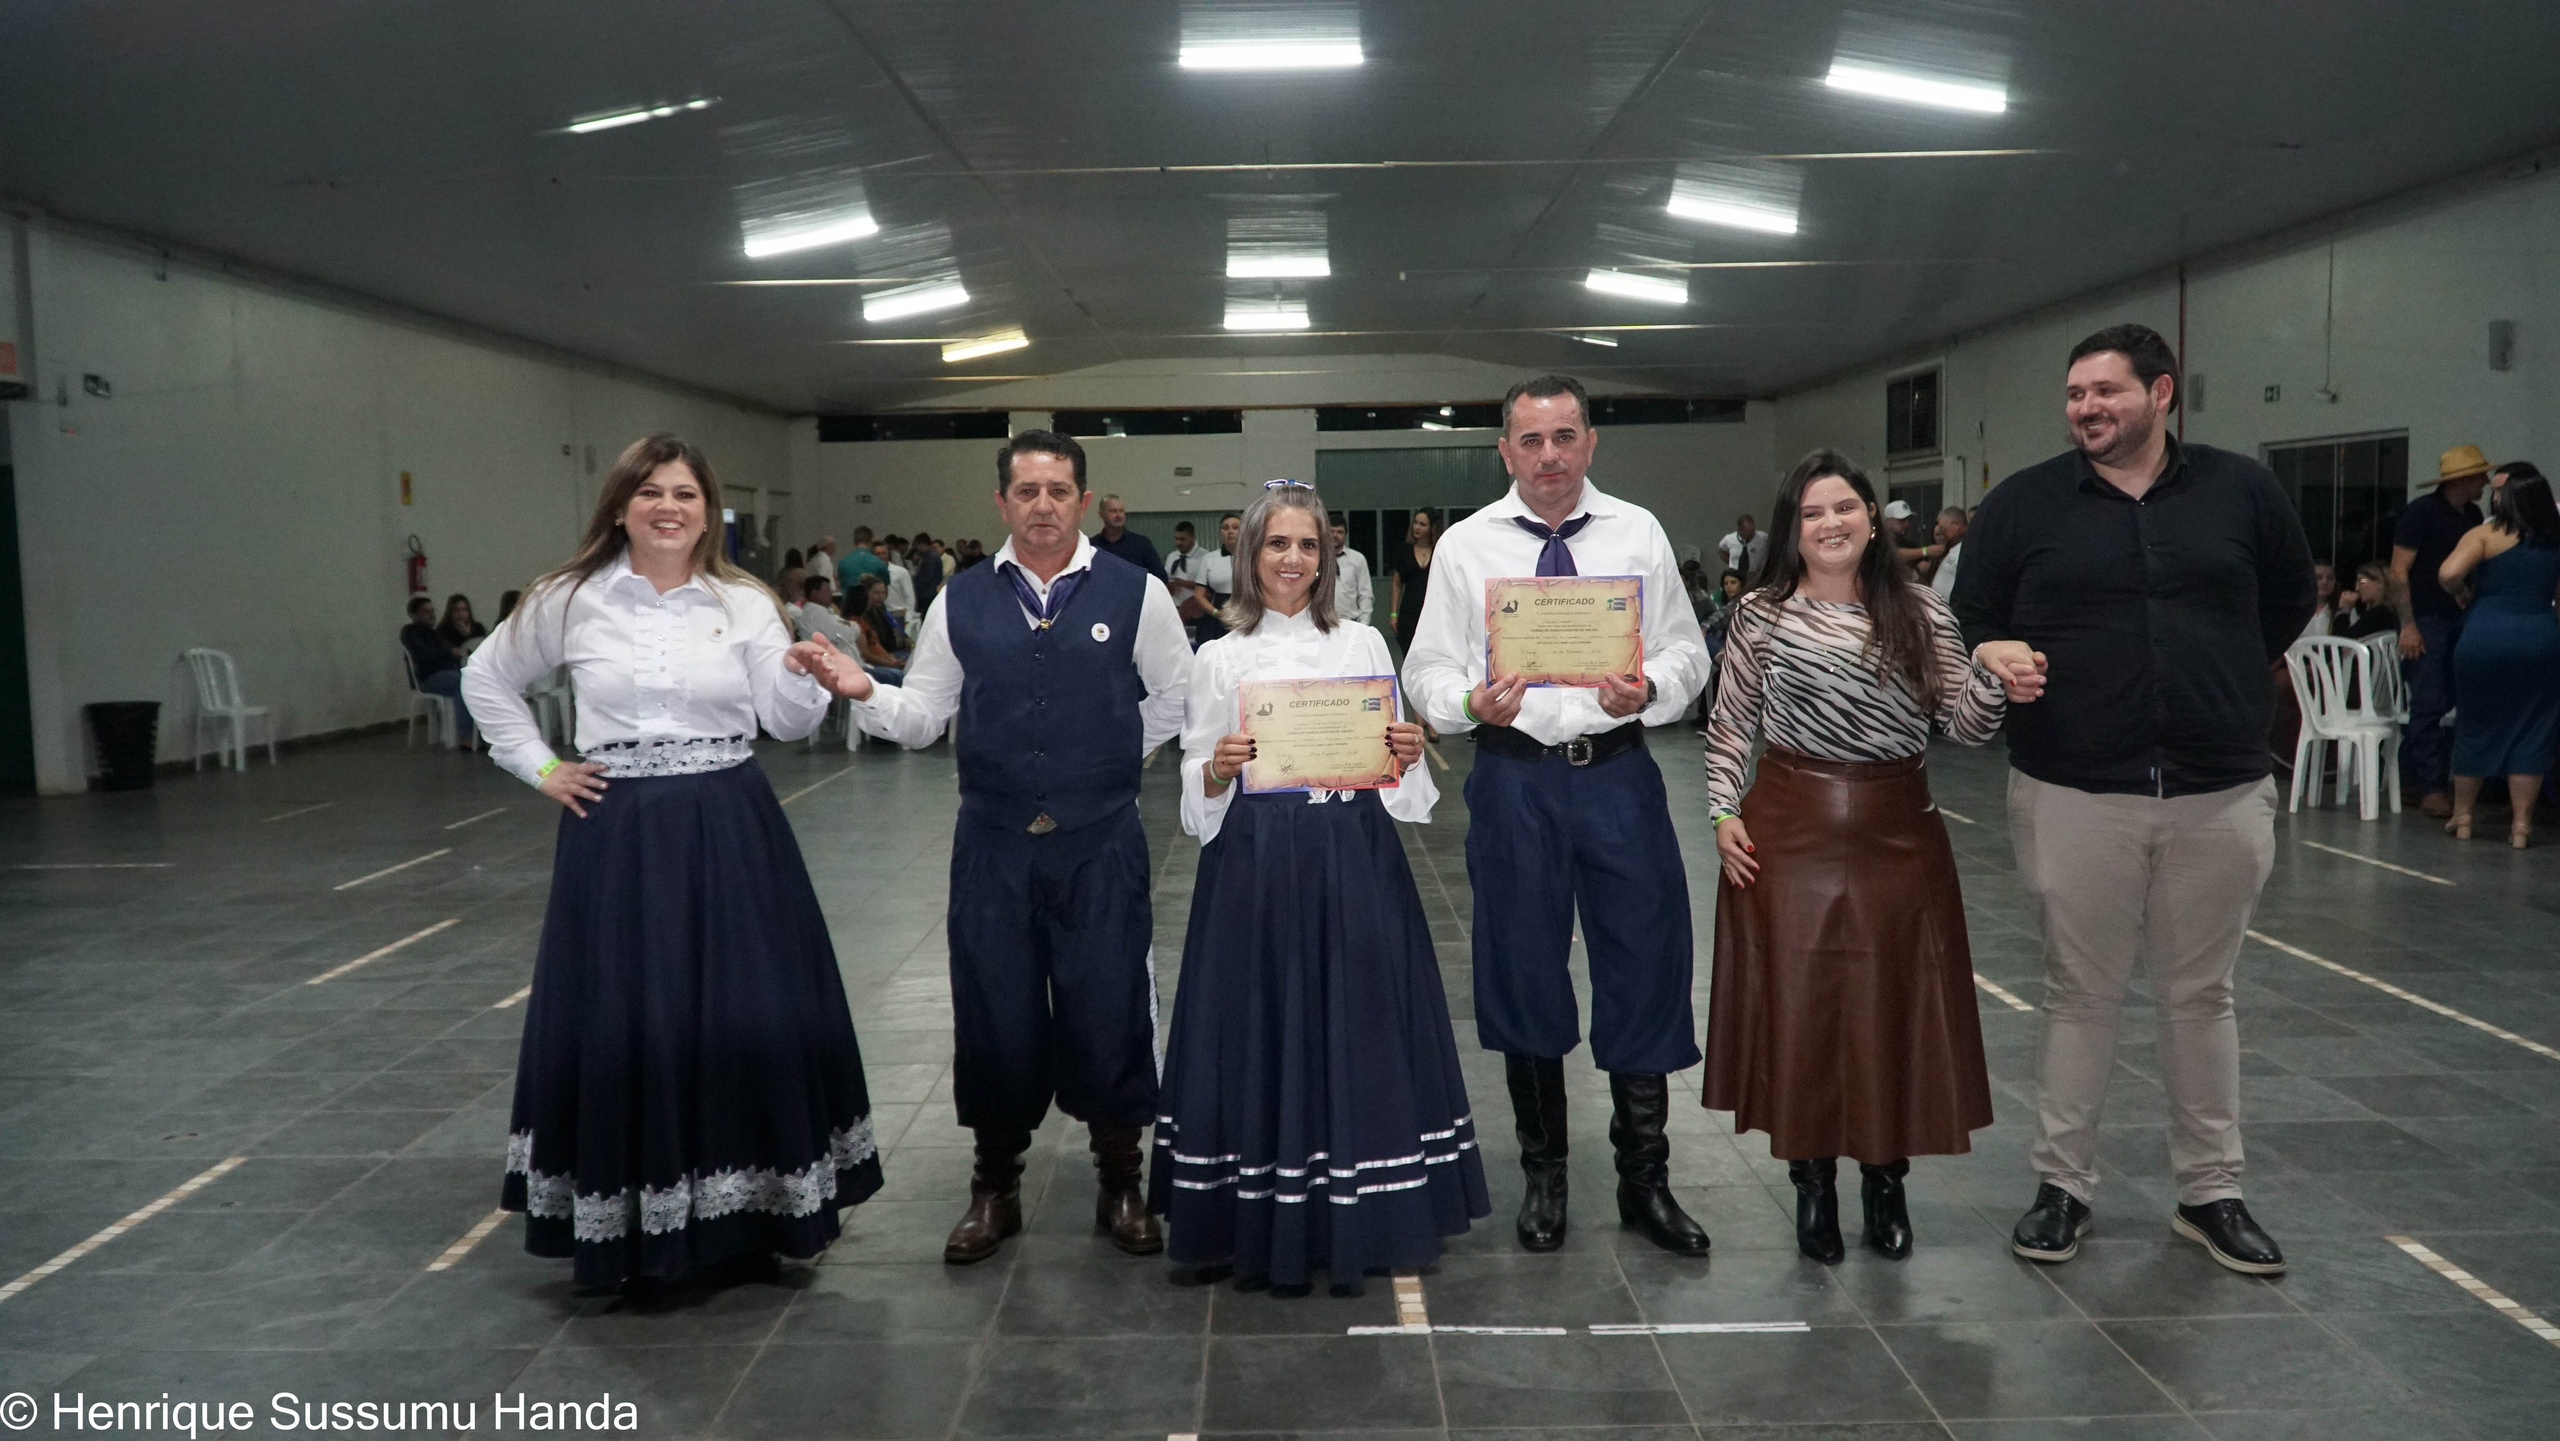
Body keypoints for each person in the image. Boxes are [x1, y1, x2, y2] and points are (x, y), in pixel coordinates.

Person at [460, 432, 881, 1291]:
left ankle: (749, 1217)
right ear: (620, 505)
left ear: (707, 512)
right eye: (650, 491)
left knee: (741, 1008)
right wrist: (542, 767)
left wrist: (803, 673)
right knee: (627, 1013)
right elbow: (485, 677)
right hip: (616, 832)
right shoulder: (568, 597)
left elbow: (789, 723)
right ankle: (630, 1223)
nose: (667, 507)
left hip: (729, 823)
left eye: (685, 494)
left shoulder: (743, 601)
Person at [1954, 323, 2313, 1277]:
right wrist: (1993, 652)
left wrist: (2220, 678)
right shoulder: (2024, 504)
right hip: (2074, 787)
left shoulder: (2242, 490)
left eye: (2107, 391)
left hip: (2219, 789)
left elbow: (2287, 602)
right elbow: (1972, 615)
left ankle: (2212, 1192)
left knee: (2202, 993)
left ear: (2162, 395)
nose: (2087, 409)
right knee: (2082, 991)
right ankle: (2062, 1186)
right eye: (2075, 394)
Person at [804, 429, 1191, 1267]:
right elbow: (921, 719)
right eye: (1027, 491)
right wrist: (864, 686)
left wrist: (1116, 758)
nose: (1044, 505)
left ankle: (1121, 1178)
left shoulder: (1136, 592)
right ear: (1002, 501)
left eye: (1059, 490)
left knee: (1109, 1004)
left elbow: (1175, 696)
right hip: (992, 844)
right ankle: (995, 1186)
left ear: (1083, 500)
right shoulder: (962, 600)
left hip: (1100, 842)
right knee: (995, 1009)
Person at [1403, 374, 1715, 1259]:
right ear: (1504, 450)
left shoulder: (1638, 533)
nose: (1549, 456)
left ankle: (1644, 1180)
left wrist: (1650, 686)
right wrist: (1471, 702)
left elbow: (1689, 653)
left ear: (1590, 443)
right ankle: (1545, 1176)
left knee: (1647, 962)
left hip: (1618, 777)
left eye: (1565, 436)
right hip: (1513, 781)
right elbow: (1425, 676)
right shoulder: (1466, 548)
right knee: (1521, 966)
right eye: (1530, 440)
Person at [1151, 481, 1489, 1295]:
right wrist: (1217, 770)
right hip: (1256, 867)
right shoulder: (1218, 657)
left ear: (1328, 556)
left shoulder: (1366, 645)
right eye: (1277, 544)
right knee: (1259, 1024)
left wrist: (1403, 755)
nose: (1293, 560)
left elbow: (1397, 787)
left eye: (1308, 545)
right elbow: (1196, 798)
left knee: (1358, 1021)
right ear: (1249, 555)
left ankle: (1369, 1211)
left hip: (1352, 856)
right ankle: (1246, 1215)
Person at [1703, 449, 2005, 1264]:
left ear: (1873, 517)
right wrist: (1724, 809)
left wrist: (1992, 676)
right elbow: (1731, 723)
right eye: (1811, 512)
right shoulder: (1762, 614)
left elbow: (1969, 729)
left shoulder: (1922, 612)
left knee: (1891, 1008)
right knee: (1804, 1010)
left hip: (1899, 831)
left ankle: (1885, 1179)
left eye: (1845, 507)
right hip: (1789, 829)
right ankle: (1811, 1183)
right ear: (1790, 530)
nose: (1830, 523)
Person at [2439, 470, 2560, 847]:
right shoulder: (2555, 540)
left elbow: (2448, 573)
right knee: (2534, 728)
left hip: (2484, 635)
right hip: (2540, 636)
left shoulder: (2485, 534)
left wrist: (2461, 593)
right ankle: (2521, 825)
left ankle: (2463, 817)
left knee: (2475, 723)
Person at [2392, 445, 2491, 817]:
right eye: (2479, 476)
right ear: (2464, 479)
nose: (2483, 481)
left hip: (2453, 615)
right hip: (2427, 618)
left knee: (2441, 699)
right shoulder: (2421, 513)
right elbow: (2399, 571)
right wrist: (2408, 624)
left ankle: (2412, 779)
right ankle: (2429, 785)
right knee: (2430, 701)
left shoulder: (2472, 515)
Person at [401, 596, 474, 743]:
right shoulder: (411, 633)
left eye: (432, 611)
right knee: (462, 682)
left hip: (448, 673)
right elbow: (424, 654)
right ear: (413, 615)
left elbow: (452, 650)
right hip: (429, 677)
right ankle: (467, 736)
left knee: (475, 680)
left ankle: (482, 732)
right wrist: (449, 652)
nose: (432, 614)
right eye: (426, 611)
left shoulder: (434, 634)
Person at [1388, 509, 1437, 658]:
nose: (1417, 527)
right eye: (1415, 522)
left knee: (1431, 656)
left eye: (1422, 524)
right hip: (1409, 612)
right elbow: (1397, 583)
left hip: (1432, 611)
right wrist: (1393, 613)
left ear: (1431, 528)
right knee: (1409, 656)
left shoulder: (1439, 550)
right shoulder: (1403, 550)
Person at [1166, 521, 1220, 646]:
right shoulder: (1171, 557)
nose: (1178, 542)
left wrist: (1183, 583)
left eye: (1183, 539)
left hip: (1197, 611)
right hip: (1175, 610)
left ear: (1193, 537)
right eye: (1176, 539)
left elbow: (1209, 587)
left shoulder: (1205, 557)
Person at [1091, 494, 1165, 579]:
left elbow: (1160, 578)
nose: (1118, 515)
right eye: (1113, 511)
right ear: (1101, 514)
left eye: (1121, 511)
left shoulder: (1142, 544)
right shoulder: (1092, 546)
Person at [2332, 562, 2398, 640]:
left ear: (2380, 583)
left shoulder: (2378, 614)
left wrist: (2343, 610)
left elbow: (2338, 643)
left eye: (2362, 582)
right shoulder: (2390, 611)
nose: (2357, 588)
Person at [1330, 516, 1373, 626]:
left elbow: (1365, 594)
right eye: (1331, 531)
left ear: (1345, 535)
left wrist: (1364, 624)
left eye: (1340, 532)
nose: (1335, 535)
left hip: (1350, 622)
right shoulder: (1316, 559)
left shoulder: (1357, 559)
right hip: (1321, 623)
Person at [877, 540, 918, 636]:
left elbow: (910, 597)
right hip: (880, 615)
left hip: (899, 615)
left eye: (884, 553)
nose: (881, 556)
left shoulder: (901, 572)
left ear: (889, 554)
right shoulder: (871, 573)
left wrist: (908, 618)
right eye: (878, 554)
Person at [1926, 506, 1967, 599]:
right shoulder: (1948, 549)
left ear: (1956, 525)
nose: (1942, 533)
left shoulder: (1966, 549)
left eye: (1943, 529)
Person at [1717, 513, 1767, 583]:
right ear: (1740, 530)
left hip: (1753, 574)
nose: (1752, 533)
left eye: (1753, 530)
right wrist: (1731, 562)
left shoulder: (1763, 537)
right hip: (1735, 575)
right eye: (1749, 531)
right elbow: (1721, 550)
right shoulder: (1729, 539)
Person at [839, 525, 888, 594]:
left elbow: (842, 585)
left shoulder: (842, 563)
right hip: (871, 603)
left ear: (855, 542)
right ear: (871, 541)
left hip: (849, 603)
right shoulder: (879, 563)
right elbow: (885, 585)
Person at [910, 531, 945, 616]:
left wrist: (914, 583)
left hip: (926, 592)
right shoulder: (928, 556)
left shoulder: (930, 557)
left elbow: (926, 577)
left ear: (922, 544)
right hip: (928, 591)